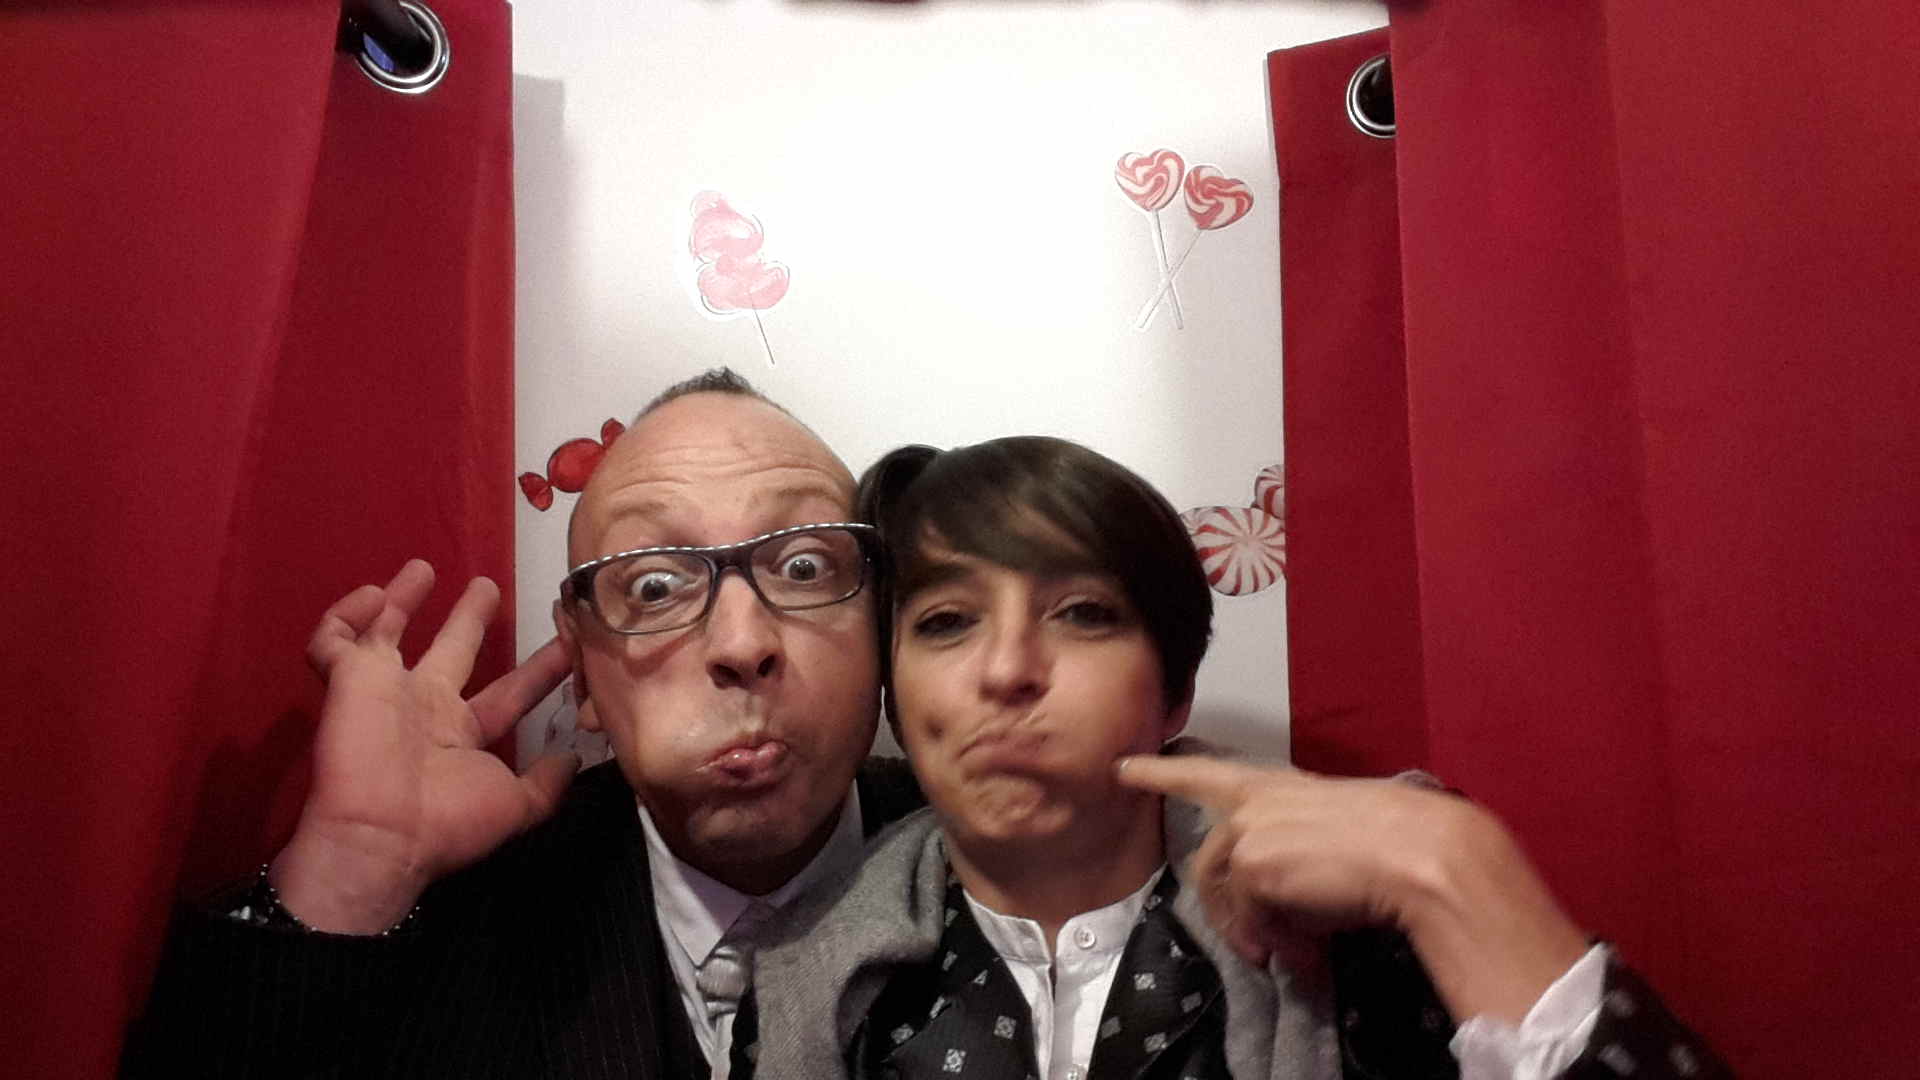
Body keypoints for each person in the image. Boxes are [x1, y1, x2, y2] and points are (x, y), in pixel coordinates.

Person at [737, 436, 1730, 1080]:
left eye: (1082, 614)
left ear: (1173, 693)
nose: (1006, 670)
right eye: (947, 622)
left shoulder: (1364, 940)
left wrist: (1455, 869)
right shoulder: (806, 981)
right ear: (893, 694)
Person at [123, 369, 924, 1078]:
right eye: (654, 587)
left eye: (805, 567)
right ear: (582, 672)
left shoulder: (991, 858)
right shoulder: (471, 923)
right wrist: (348, 872)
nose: (743, 645)